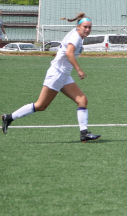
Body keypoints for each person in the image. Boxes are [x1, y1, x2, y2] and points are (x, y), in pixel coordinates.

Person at [1, 12, 100, 142]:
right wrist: (79, 70)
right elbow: (69, 53)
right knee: (41, 105)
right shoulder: (76, 37)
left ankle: (84, 133)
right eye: (85, 27)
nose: (87, 29)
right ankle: (9, 117)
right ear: (78, 27)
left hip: (63, 74)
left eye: (89, 27)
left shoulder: (77, 34)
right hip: (57, 74)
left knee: (82, 100)